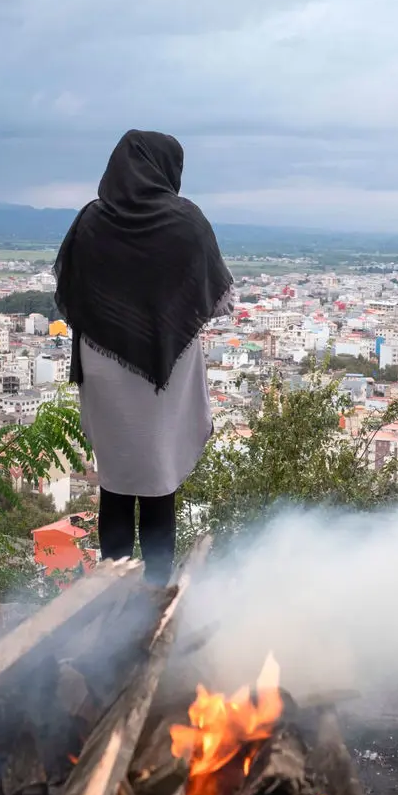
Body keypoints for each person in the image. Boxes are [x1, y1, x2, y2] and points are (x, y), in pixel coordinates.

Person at [54, 130, 234, 586]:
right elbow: (216, 300)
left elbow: (70, 293)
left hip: (103, 365)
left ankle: (112, 588)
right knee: (159, 481)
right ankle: (156, 591)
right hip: (166, 366)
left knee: (115, 481)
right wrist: (164, 316)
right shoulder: (187, 222)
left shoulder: (91, 221)